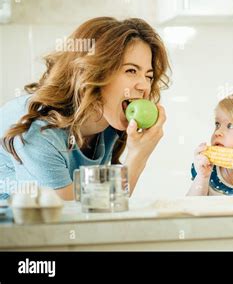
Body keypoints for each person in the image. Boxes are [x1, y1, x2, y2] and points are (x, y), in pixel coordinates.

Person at [0, 17, 170, 200]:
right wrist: (138, 157)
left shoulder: (108, 123)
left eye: (149, 76)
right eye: (131, 71)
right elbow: (68, 218)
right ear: (92, 72)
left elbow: (97, 206)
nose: (144, 86)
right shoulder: (38, 129)